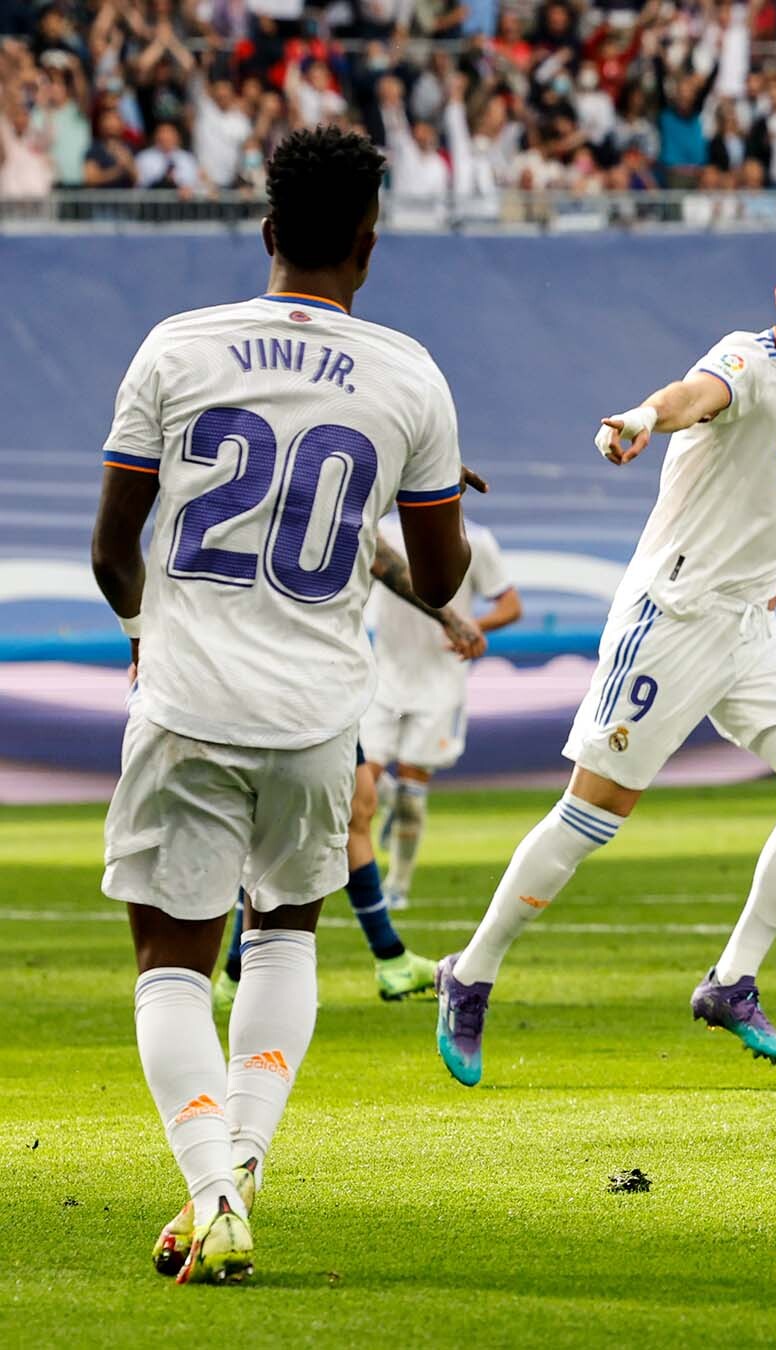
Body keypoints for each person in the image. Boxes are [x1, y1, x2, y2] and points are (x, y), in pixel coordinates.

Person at [91, 126, 476, 1284]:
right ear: (369, 242)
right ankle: (240, 1172)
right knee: (284, 938)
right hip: (317, 718)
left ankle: (214, 1190)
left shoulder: (175, 348)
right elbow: (441, 581)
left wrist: (145, 640)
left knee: (171, 964)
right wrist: (430, 494)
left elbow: (113, 549)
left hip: (187, 702)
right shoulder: (409, 376)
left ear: (266, 231)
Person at [435, 240, 776, 1087]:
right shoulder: (746, 360)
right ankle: (471, 973)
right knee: (593, 814)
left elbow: (764, 499)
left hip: (749, 624)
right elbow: (691, 396)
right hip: (672, 617)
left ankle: (731, 982)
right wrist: (641, 415)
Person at [212, 531, 487, 1009]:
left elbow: (378, 555)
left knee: (360, 802)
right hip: (284, 674)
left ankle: (390, 959)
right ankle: (237, 973)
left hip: (325, 677)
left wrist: (447, 618)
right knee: (268, 821)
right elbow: (376, 554)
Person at [362, 516, 522, 910]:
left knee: (413, 791)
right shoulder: (381, 530)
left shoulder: (476, 539)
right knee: (361, 781)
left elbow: (510, 606)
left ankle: (397, 886)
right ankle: (387, 802)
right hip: (383, 676)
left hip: (440, 681)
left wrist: (469, 625)